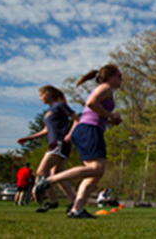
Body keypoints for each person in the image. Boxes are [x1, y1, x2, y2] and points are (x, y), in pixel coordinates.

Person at [32, 64, 123, 218]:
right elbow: (91, 104)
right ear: (109, 76)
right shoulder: (105, 87)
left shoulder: (107, 90)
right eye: (119, 75)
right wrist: (110, 115)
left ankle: (77, 209)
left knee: (95, 173)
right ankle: (49, 181)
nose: (121, 78)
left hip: (89, 128)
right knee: (96, 168)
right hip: (88, 129)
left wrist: (110, 120)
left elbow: (93, 112)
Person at [17, 85, 78, 212]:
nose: (40, 98)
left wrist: (70, 134)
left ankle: (52, 200)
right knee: (57, 174)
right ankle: (74, 201)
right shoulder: (48, 112)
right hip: (54, 143)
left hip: (59, 143)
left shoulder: (60, 106)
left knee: (41, 172)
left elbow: (76, 119)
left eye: (41, 95)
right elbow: (46, 130)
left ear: (48, 94)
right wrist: (29, 138)